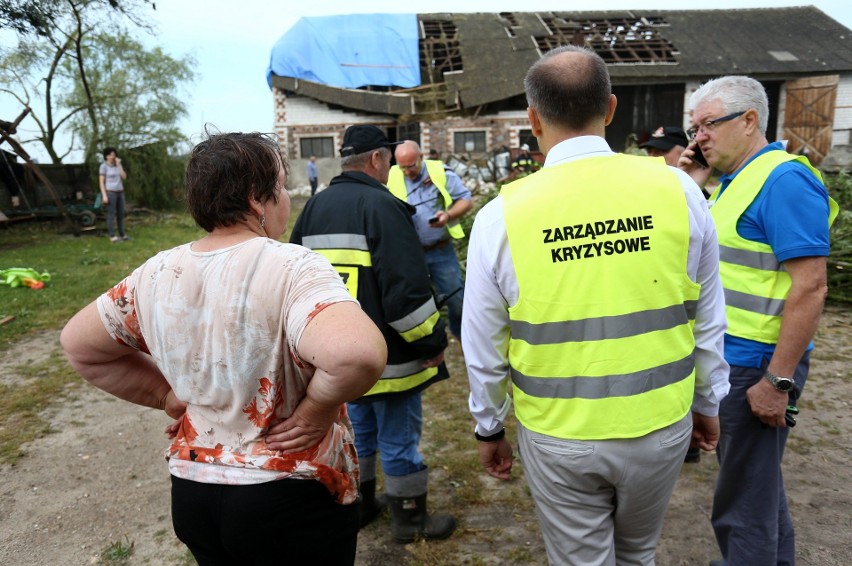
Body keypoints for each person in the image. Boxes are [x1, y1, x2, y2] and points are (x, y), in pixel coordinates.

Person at [61, 131, 387, 565]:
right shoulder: (291, 265)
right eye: (282, 187)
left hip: (194, 493)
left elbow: (80, 346)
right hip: (287, 494)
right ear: (258, 199)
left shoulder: (155, 272)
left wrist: (166, 396)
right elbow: (356, 355)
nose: (287, 198)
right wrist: (316, 410)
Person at [463, 45, 730, 565]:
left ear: (533, 119)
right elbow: (707, 318)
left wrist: (489, 426)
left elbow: (483, 344)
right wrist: (708, 402)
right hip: (661, 423)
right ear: (610, 109)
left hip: (561, 433)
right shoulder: (678, 189)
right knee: (638, 553)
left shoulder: (502, 217)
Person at [679, 75, 838, 566]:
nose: (697, 137)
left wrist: (778, 380)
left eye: (707, 125)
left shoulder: (784, 179)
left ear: (749, 121)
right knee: (757, 487)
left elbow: (811, 286)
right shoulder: (735, 182)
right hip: (739, 362)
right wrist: (693, 183)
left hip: (759, 367)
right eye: (694, 127)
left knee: (742, 503)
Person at [290, 125, 457, 543]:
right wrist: (433, 341)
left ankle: (361, 505)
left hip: (339, 358)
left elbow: (295, 283)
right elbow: (406, 293)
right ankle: (409, 518)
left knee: (360, 431)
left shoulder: (313, 208)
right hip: (391, 357)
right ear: (378, 160)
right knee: (399, 437)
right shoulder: (384, 207)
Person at [641, 125, 703, 465]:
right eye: (649, 151)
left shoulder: (698, 192)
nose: (654, 158)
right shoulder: (652, 193)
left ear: (686, 150)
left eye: (661, 151)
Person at [387, 140, 472, 343]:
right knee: (416, 303)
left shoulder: (440, 172)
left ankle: (462, 337)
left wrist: (448, 216)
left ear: (421, 157)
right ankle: (427, 342)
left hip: (441, 251)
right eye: (403, 167)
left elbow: (466, 200)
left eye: (411, 166)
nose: (407, 171)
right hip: (409, 254)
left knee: (456, 299)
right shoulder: (390, 175)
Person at [99, 147, 128, 242]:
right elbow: (101, 182)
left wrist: (119, 165)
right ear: (106, 156)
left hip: (120, 192)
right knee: (111, 214)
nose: (112, 156)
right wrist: (104, 195)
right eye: (110, 155)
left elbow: (124, 177)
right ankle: (112, 236)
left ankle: (122, 234)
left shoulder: (117, 165)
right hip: (110, 192)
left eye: (114, 155)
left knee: (121, 214)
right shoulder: (103, 166)